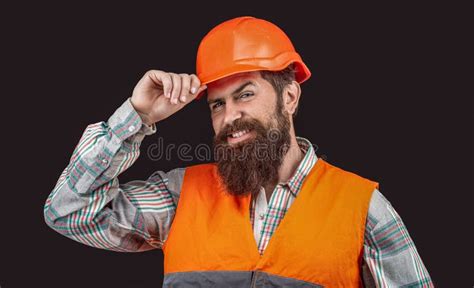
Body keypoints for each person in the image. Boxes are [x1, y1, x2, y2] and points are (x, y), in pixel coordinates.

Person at [44, 16, 433, 287]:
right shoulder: (180, 197)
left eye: (246, 94)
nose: (231, 116)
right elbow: (67, 211)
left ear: (290, 97)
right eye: (217, 104)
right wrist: (136, 116)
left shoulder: (363, 208)